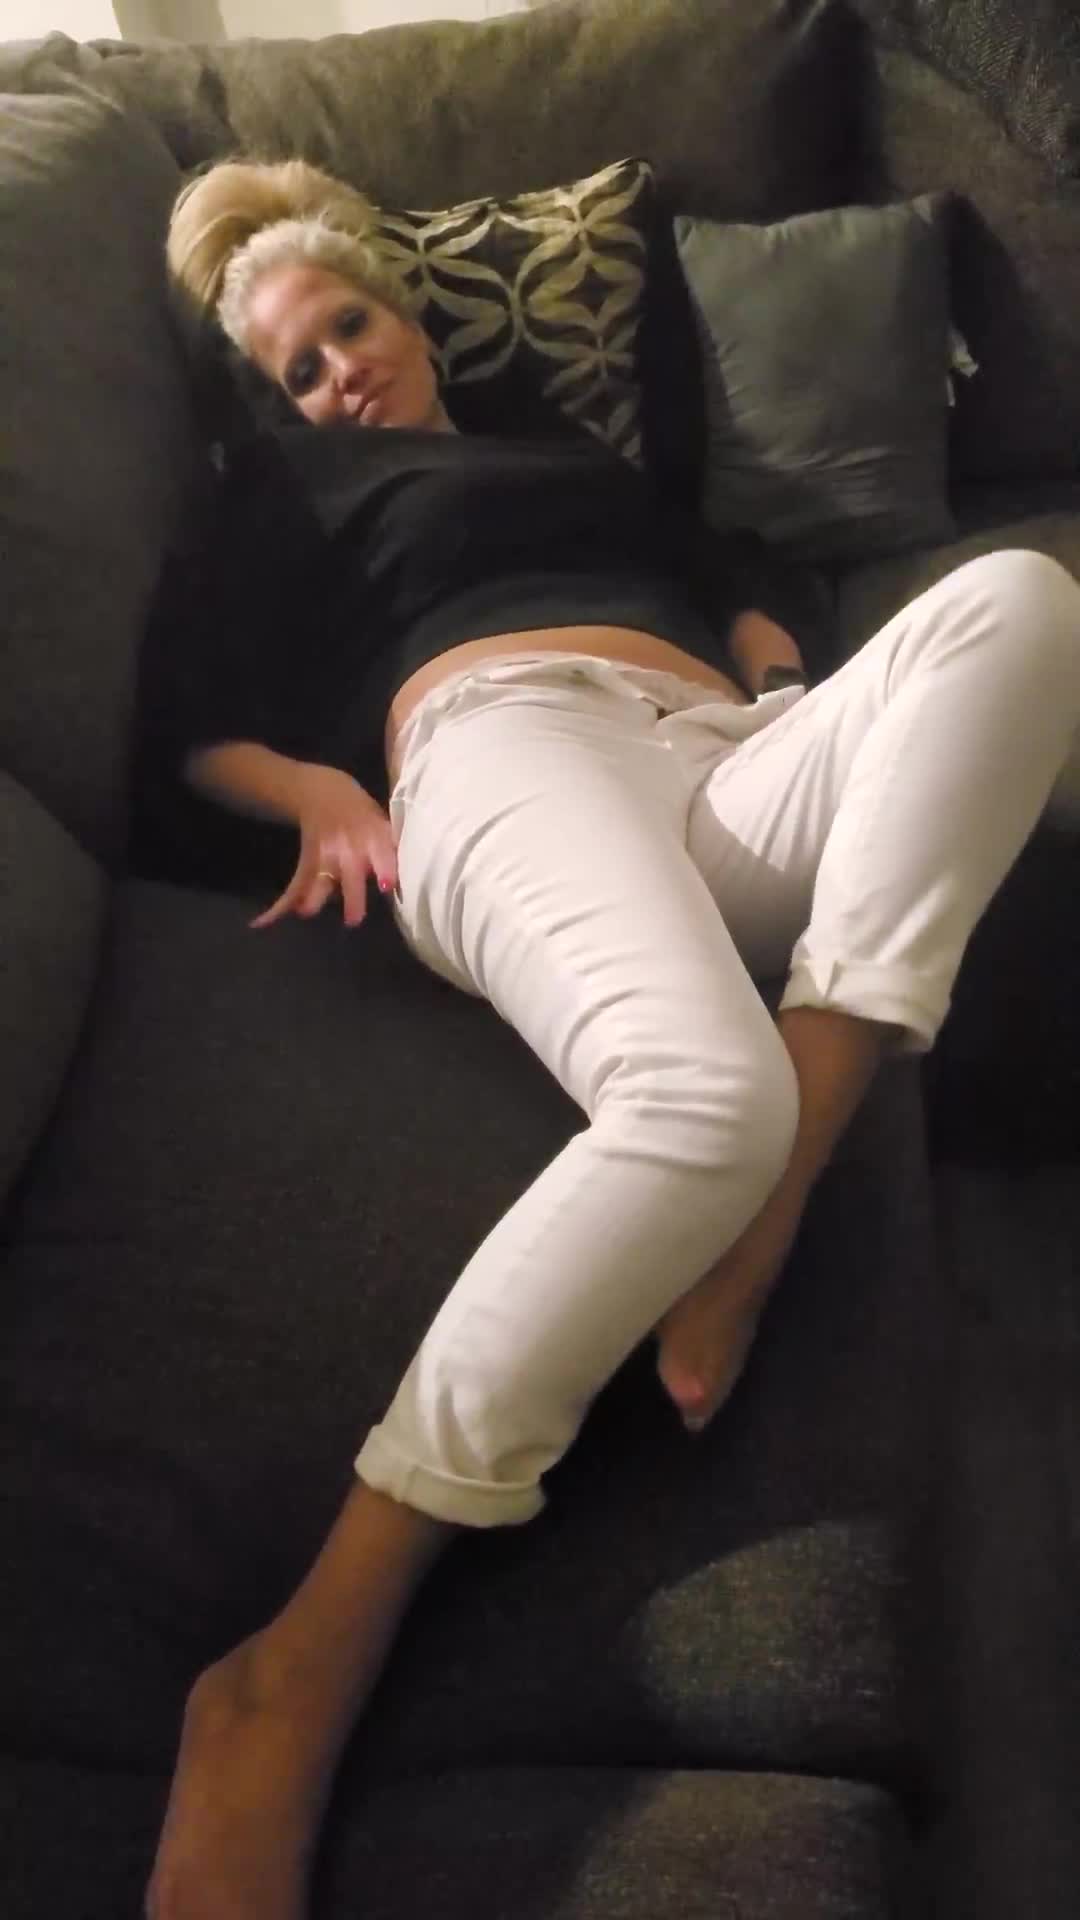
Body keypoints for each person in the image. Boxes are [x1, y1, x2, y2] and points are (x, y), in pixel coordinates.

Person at [142, 159, 1080, 1920]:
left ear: (406, 316)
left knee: (1021, 601)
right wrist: (320, 794)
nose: (338, 373)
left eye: (348, 326)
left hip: (724, 756)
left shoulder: (556, 448)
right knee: (699, 1101)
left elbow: (728, 574)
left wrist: (782, 676)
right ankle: (289, 1669)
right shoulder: (279, 490)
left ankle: (791, 1155)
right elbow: (184, 724)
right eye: (296, 368)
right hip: (500, 751)